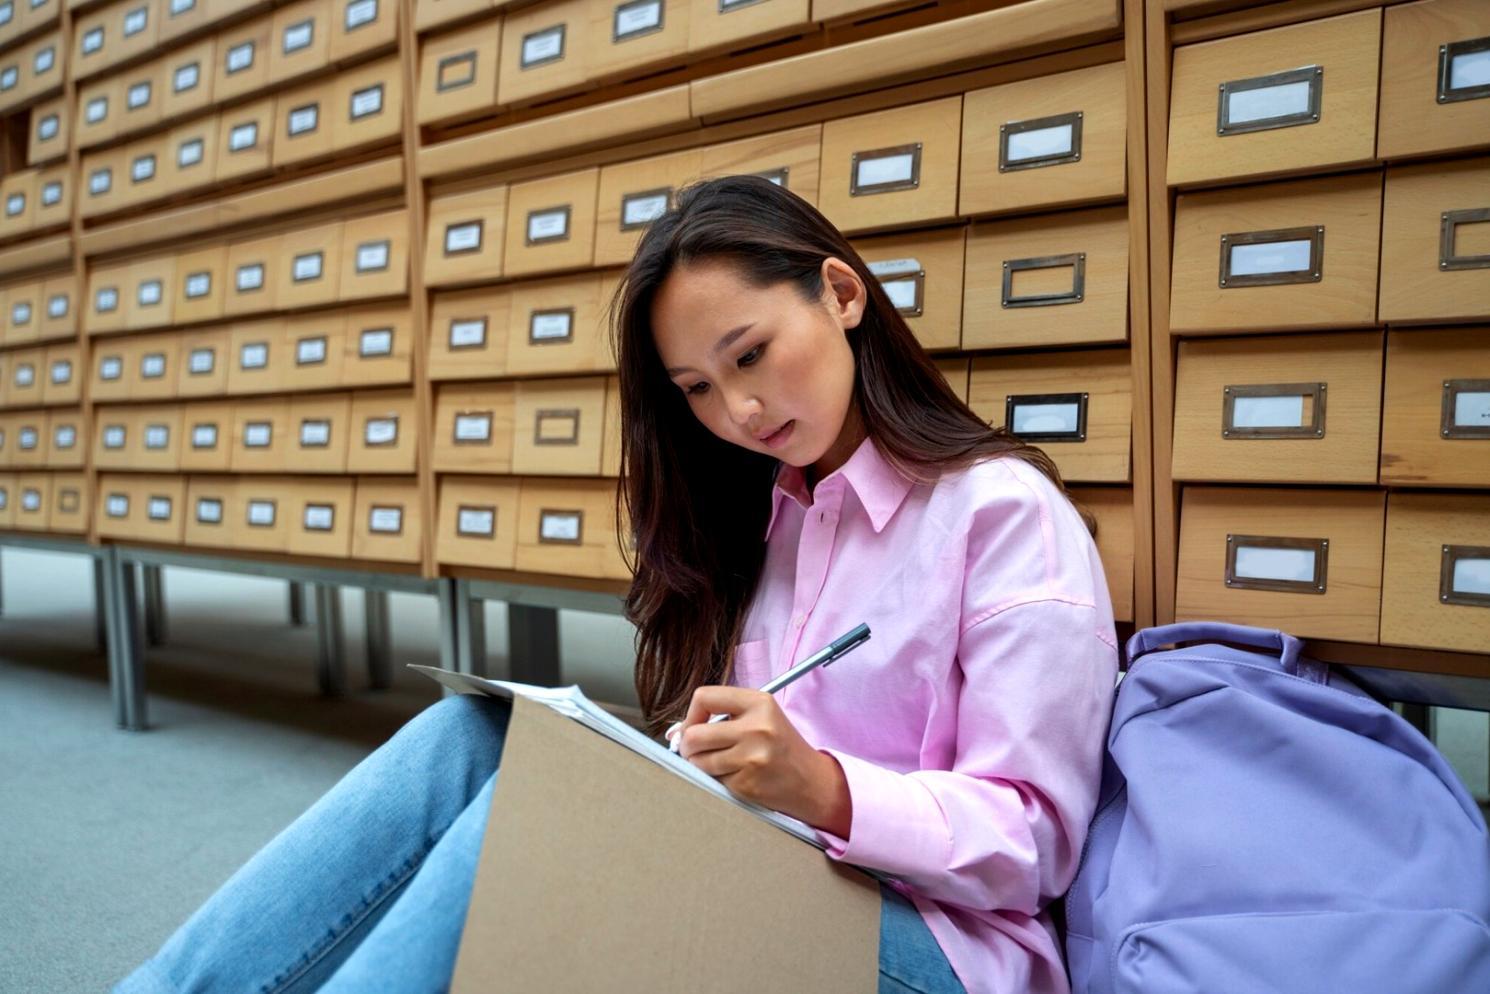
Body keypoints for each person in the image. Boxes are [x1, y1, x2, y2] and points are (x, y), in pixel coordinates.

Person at [113, 175, 1118, 994]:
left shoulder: (1000, 513)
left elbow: (1035, 842)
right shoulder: (768, 520)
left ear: (841, 295)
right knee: (470, 741)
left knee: (542, 825)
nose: (738, 408)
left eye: (750, 354)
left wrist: (822, 784)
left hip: (937, 954)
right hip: (773, 874)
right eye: (696, 391)